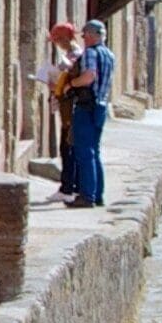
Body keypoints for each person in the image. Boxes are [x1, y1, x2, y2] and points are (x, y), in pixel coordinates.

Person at [63, 20, 116, 206]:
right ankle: (97, 193)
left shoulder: (91, 53)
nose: (83, 39)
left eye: (85, 35)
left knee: (84, 151)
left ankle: (87, 195)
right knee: (95, 150)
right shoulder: (109, 55)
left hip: (87, 106)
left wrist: (71, 84)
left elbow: (89, 76)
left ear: (93, 35)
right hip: (101, 106)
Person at [41, 22, 83, 199]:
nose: (56, 44)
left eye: (58, 40)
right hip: (68, 107)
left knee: (68, 147)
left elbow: (67, 83)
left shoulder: (74, 56)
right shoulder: (72, 54)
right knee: (68, 147)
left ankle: (68, 188)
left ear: (65, 39)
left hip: (70, 108)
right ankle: (70, 186)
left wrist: (53, 84)